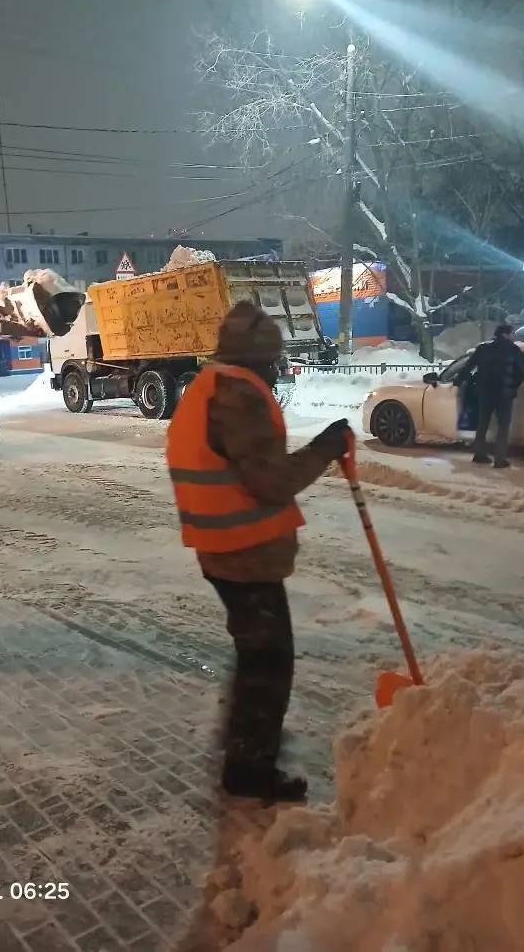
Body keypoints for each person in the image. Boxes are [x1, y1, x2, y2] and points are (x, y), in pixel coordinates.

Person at [166, 302, 350, 802]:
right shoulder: (239, 397)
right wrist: (326, 448)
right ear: (257, 358)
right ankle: (249, 768)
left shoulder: (212, 385)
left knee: (257, 655)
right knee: (270, 661)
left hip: (224, 548)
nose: (277, 368)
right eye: (273, 359)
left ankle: (243, 740)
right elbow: (270, 482)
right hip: (242, 552)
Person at [457, 324, 524, 469]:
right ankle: (500, 459)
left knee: (483, 424)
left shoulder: (483, 348)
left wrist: (459, 381)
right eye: (512, 333)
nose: (514, 336)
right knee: (503, 427)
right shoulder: (513, 350)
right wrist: (513, 387)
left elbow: (468, 366)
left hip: (485, 393)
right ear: (506, 334)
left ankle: (479, 454)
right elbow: (521, 372)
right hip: (504, 395)